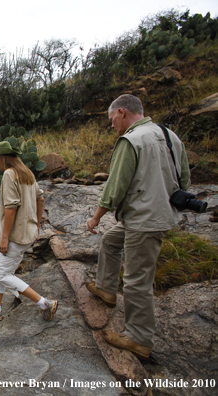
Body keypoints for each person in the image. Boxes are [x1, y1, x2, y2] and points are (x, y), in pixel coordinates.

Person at [86, 94, 190, 359]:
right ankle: (106, 289)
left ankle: (139, 338)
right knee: (110, 240)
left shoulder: (131, 140)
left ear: (122, 112)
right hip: (157, 214)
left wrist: (96, 216)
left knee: (136, 281)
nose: (112, 126)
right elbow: (185, 178)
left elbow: (115, 186)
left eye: (112, 120)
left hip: (144, 221)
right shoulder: (170, 135)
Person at [0, 141, 57, 321]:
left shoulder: (9, 174)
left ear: (2, 158)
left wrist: (4, 238)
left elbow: (11, 208)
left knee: (2, 273)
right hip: (27, 232)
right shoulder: (27, 173)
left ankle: (44, 303)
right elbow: (41, 199)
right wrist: (36, 225)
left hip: (15, 235)